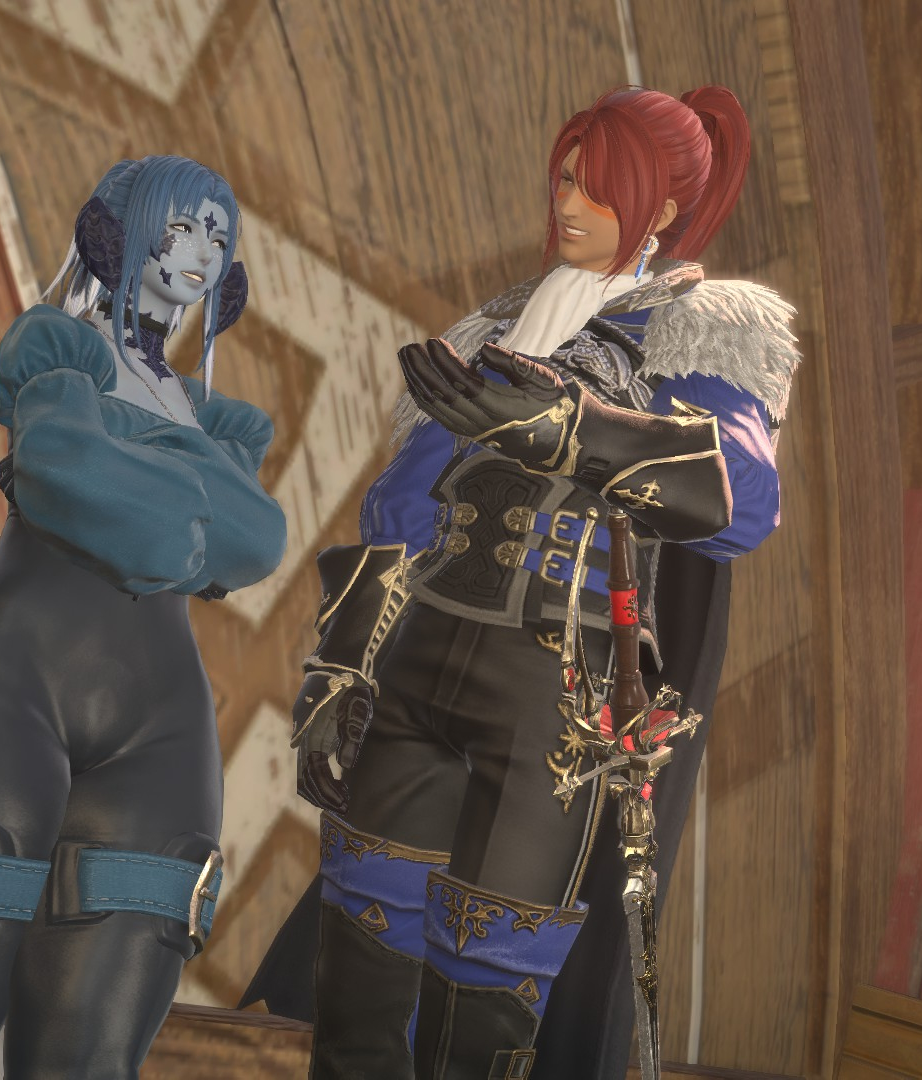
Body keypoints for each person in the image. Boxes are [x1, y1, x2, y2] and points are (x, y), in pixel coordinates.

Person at [242, 86, 803, 1080]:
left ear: (665, 208)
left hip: (549, 702)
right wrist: (341, 669)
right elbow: (401, 510)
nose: (569, 203)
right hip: (413, 677)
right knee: (359, 992)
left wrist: (573, 430)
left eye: (599, 187)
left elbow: (743, 502)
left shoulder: (702, 326)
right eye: (566, 179)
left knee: (479, 1013)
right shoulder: (497, 326)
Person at [0, 155, 286, 1080]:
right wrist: (192, 510)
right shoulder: (59, 350)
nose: (200, 251)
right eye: (180, 225)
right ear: (119, 232)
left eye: (217, 235)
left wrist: (156, 500)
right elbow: (70, 476)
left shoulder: (222, 419)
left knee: (90, 1064)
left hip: (162, 728)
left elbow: (255, 540)